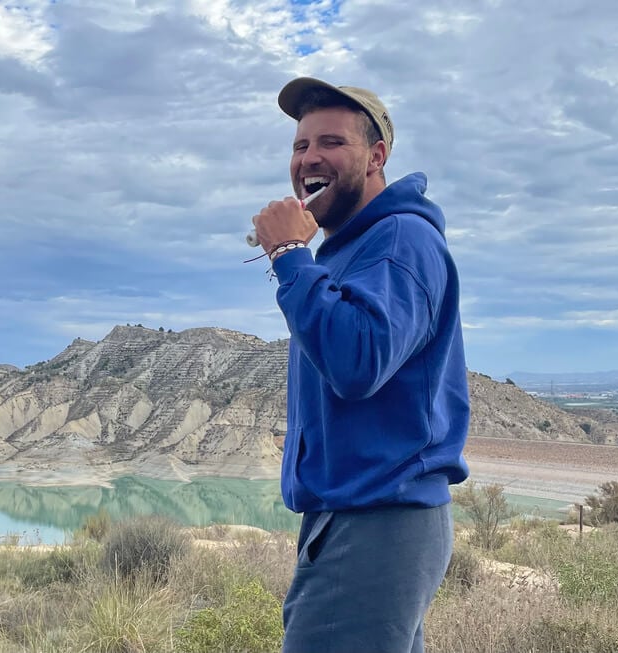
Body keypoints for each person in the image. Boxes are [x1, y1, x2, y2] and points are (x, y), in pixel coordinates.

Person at [249, 77, 471, 653]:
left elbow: (356, 362)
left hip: (377, 518)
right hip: (358, 516)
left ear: (376, 158)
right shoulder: (353, 248)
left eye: (331, 143)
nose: (309, 158)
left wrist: (289, 258)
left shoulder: (400, 240)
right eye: (300, 146)